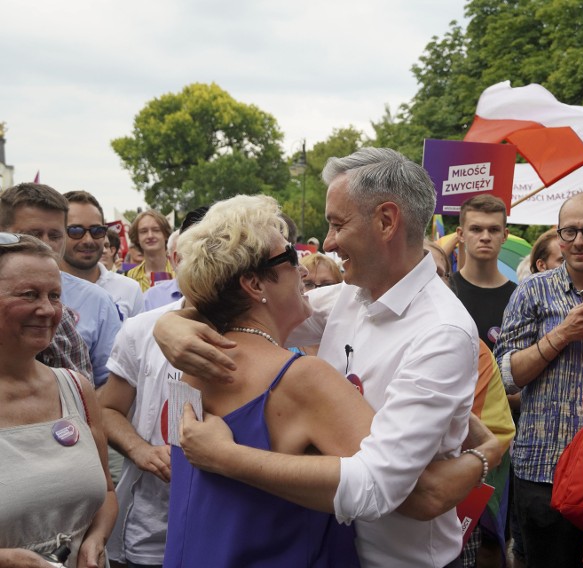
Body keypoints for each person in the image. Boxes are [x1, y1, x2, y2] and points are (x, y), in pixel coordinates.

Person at [154, 148, 498, 567]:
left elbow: (381, 486)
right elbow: (245, 307)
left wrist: (228, 457)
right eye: (290, 258)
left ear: (387, 222)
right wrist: (168, 326)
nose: (327, 244)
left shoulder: (441, 332)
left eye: (337, 224)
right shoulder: (348, 300)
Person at [494, 192, 583, 567]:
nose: (580, 241)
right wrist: (561, 334)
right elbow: (505, 377)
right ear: (558, 234)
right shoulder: (532, 291)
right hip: (543, 466)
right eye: (569, 232)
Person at [98, 206, 209, 567]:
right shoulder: (141, 329)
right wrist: (141, 451)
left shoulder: (263, 333)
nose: (212, 267)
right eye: (200, 254)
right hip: (150, 534)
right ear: (177, 259)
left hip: (228, 530)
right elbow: (108, 408)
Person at [0, 233, 117, 567]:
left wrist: (95, 539)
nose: (48, 309)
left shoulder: (76, 388)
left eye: (55, 295)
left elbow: (106, 493)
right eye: (29, 294)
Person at [427, 239, 516, 568]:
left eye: (440, 274)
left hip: (455, 498)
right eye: (421, 272)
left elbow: (459, 431)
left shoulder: (468, 345)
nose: (431, 282)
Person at [0, 182, 122, 387]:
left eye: (55, 235)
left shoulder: (89, 306)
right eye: (33, 234)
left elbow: (104, 388)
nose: (45, 244)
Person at [62, 191, 144, 322]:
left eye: (96, 231)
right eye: (76, 231)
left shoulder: (129, 289)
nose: (88, 240)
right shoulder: (44, 291)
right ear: (58, 233)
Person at [450, 195, 516, 351]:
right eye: (476, 229)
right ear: (460, 234)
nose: (485, 237)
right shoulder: (444, 291)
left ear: (505, 235)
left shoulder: (519, 297)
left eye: (493, 230)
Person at [126, 210, 174, 292]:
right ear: (137, 238)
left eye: (156, 230)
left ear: (165, 234)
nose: (150, 236)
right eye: (144, 231)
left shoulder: (180, 272)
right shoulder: (130, 277)